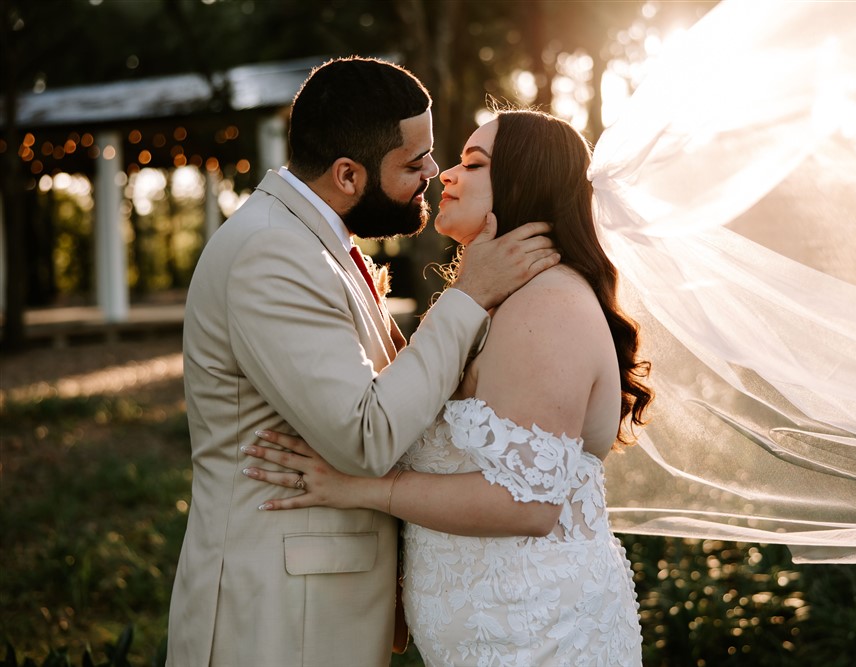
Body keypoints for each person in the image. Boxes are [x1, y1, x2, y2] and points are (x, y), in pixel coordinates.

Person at [166, 58, 559, 667]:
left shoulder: (311, 240)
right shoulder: (271, 252)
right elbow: (363, 435)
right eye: (413, 162)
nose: (435, 171)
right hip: (279, 619)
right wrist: (466, 295)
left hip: (322, 602)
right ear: (348, 174)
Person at [241, 109, 653, 666]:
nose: (447, 176)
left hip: (541, 638)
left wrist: (360, 487)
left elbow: (525, 503)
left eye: (472, 164)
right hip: (491, 638)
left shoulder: (549, 304)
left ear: (524, 181)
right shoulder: (495, 300)